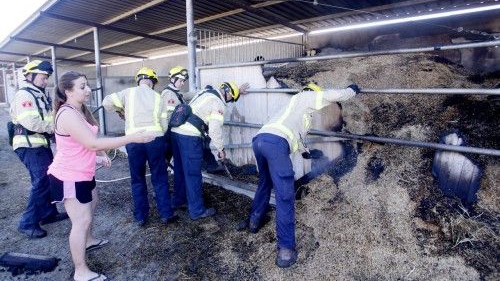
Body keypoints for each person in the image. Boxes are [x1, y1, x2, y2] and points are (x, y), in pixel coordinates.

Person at [47, 71, 155, 281]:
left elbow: (87, 141)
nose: (88, 90)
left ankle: (88, 240)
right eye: (82, 87)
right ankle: (80, 271)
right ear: (68, 91)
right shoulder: (68, 114)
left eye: (87, 85)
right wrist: (131, 138)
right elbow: (91, 142)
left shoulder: (80, 110)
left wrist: (100, 155)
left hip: (83, 171)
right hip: (70, 175)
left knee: (93, 202)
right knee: (81, 220)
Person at [241, 82, 360, 268]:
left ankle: (254, 222)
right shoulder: (306, 96)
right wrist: (351, 91)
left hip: (260, 141)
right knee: (285, 197)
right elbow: (332, 95)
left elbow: (294, 134)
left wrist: (306, 152)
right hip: (275, 144)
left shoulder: (293, 107)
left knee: (265, 183)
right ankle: (286, 250)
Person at [102, 67, 177, 226]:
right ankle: (166, 214)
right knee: (160, 177)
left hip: (134, 141)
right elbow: (164, 125)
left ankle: (141, 217)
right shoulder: (158, 97)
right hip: (155, 140)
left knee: (137, 179)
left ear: (138, 80)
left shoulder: (128, 93)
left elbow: (106, 103)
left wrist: (121, 109)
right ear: (153, 82)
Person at [170, 81, 249, 219]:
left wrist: (238, 92)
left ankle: (178, 200)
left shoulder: (205, 92)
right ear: (228, 93)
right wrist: (221, 149)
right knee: (193, 175)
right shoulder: (218, 103)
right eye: (231, 98)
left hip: (176, 133)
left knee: (180, 170)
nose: (229, 101)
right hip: (190, 137)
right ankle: (197, 211)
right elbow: (214, 129)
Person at [9, 60, 68, 239]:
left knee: (50, 178)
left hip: (39, 144)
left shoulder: (39, 94)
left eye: (47, 77)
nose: (45, 81)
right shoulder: (25, 95)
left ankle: (48, 213)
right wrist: (55, 129)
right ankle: (27, 223)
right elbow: (31, 122)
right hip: (29, 146)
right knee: (41, 181)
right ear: (30, 76)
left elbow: (47, 119)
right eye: (43, 77)